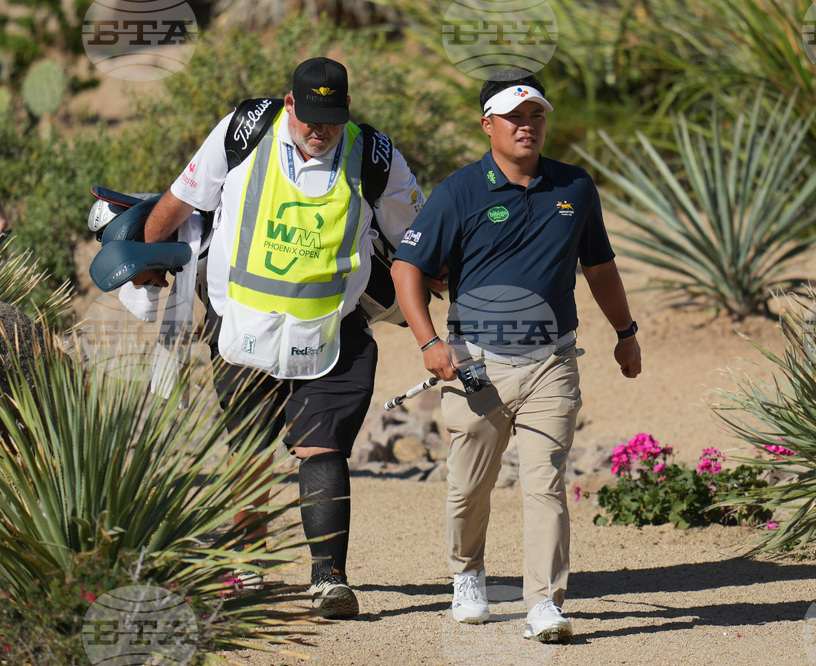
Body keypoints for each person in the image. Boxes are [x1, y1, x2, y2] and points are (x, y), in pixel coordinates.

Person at [135, 57, 424, 618]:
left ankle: (329, 579)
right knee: (247, 452)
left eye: (332, 120)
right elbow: (182, 198)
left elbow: (414, 235)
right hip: (240, 327)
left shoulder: (376, 156)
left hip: (331, 329)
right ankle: (246, 569)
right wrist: (147, 261)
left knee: (322, 447)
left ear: (347, 113)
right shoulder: (243, 131)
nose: (320, 131)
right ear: (290, 105)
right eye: (310, 118)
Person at [391, 68, 641, 643]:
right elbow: (408, 268)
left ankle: (544, 604)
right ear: (488, 126)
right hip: (474, 365)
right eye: (514, 118)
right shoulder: (459, 192)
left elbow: (599, 268)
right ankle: (467, 574)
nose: (527, 127)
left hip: (553, 361)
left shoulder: (575, 188)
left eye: (536, 117)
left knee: (545, 482)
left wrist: (625, 332)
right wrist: (429, 342)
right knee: (468, 485)